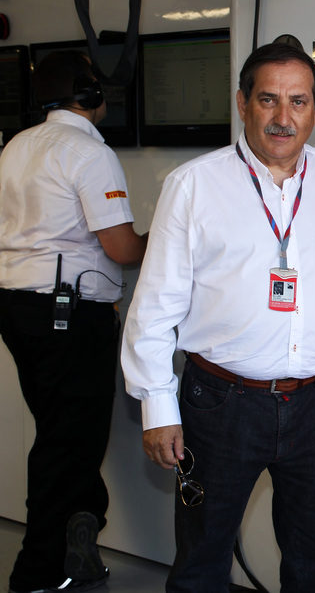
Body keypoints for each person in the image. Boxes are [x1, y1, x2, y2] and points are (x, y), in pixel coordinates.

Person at [120, 42, 315, 592]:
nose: (283, 117)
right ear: (243, 104)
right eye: (268, 100)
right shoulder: (194, 185)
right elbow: (153, 306)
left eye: (298, 101)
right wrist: (158, 405)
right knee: (202, 563)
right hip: (221, 404)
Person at [0, 50, 147, 593]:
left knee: (62, 434)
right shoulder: (87, 152)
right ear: (86, 96)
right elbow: (122, 246)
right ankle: (35, 572)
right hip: (69, 314)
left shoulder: (18, 144)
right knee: (68, 445)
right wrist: (168, 239)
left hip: (18, 307)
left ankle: (78, 541)